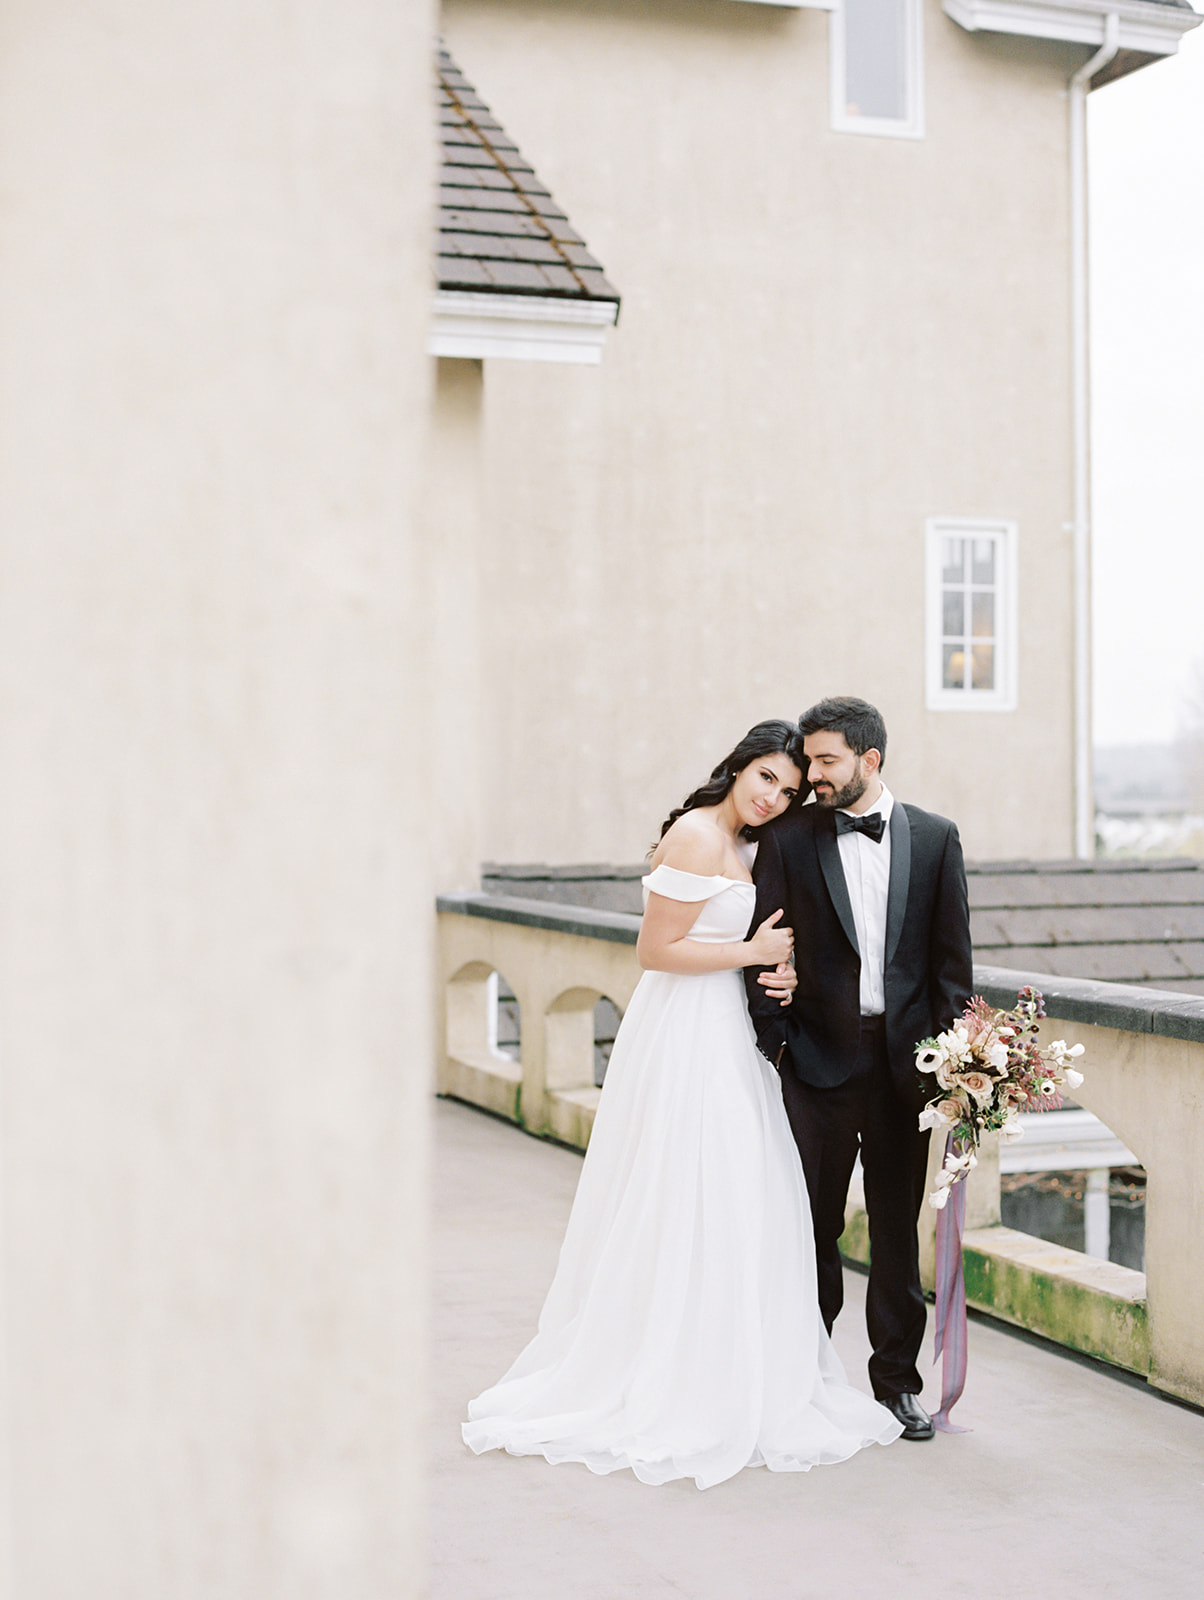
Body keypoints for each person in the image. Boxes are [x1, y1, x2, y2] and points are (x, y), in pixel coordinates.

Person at [463, 720, 902, 1488]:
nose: (775, 797)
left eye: (790, 789)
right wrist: (752, 953)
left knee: (743, 1199)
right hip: (685, 1038)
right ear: (737, 767)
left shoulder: (749, 845)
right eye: (766, 777)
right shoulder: (698, 836)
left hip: (729, 1034)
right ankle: (673, 1372)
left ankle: (730, 1365)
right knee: (690, 1190)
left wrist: (781, 970)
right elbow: (655, 950)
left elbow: (756, 940)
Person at [745, 697, 972, 1441]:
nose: (810, 775)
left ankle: (896, 1383)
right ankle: (806, 1376)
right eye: (809, 760)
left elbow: (950, 968)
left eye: (826, 761)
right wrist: (777, 1042)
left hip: (907, 1074)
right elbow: (761, 947)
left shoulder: (937, 840)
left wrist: (957, 1070)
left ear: (870, 760)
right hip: (813, 1066)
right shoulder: (789, 839)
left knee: (898, 1236)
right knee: (809, 1226)